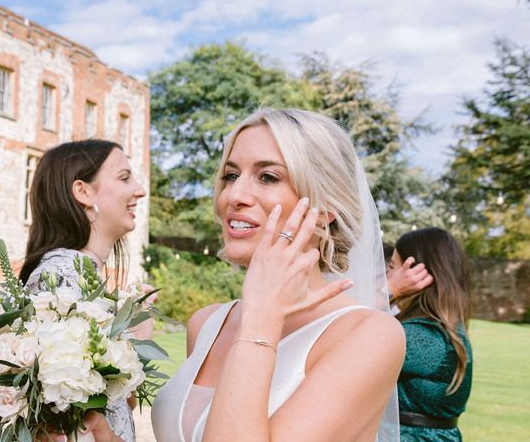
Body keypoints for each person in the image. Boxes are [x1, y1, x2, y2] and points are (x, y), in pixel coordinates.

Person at [151, 108, 405, 442]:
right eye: (230, 176)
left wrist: (260, 321)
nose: (234, 196)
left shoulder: (368, 335)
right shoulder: (206, 324)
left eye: (268, 177)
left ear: (327, 207)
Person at [20, 139, 146, 442]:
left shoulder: (82, 275)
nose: (139, 190)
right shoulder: (60, 279)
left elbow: (111, 403)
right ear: (83, 192)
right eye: (124, 177)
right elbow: (65, 426)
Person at [390, 227, 472, 442]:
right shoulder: (439, 328)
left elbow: (345, 341)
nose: (388, 275)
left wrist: (389, 291)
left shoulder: (423, 335)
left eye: (391, 267)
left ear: (417, 274)